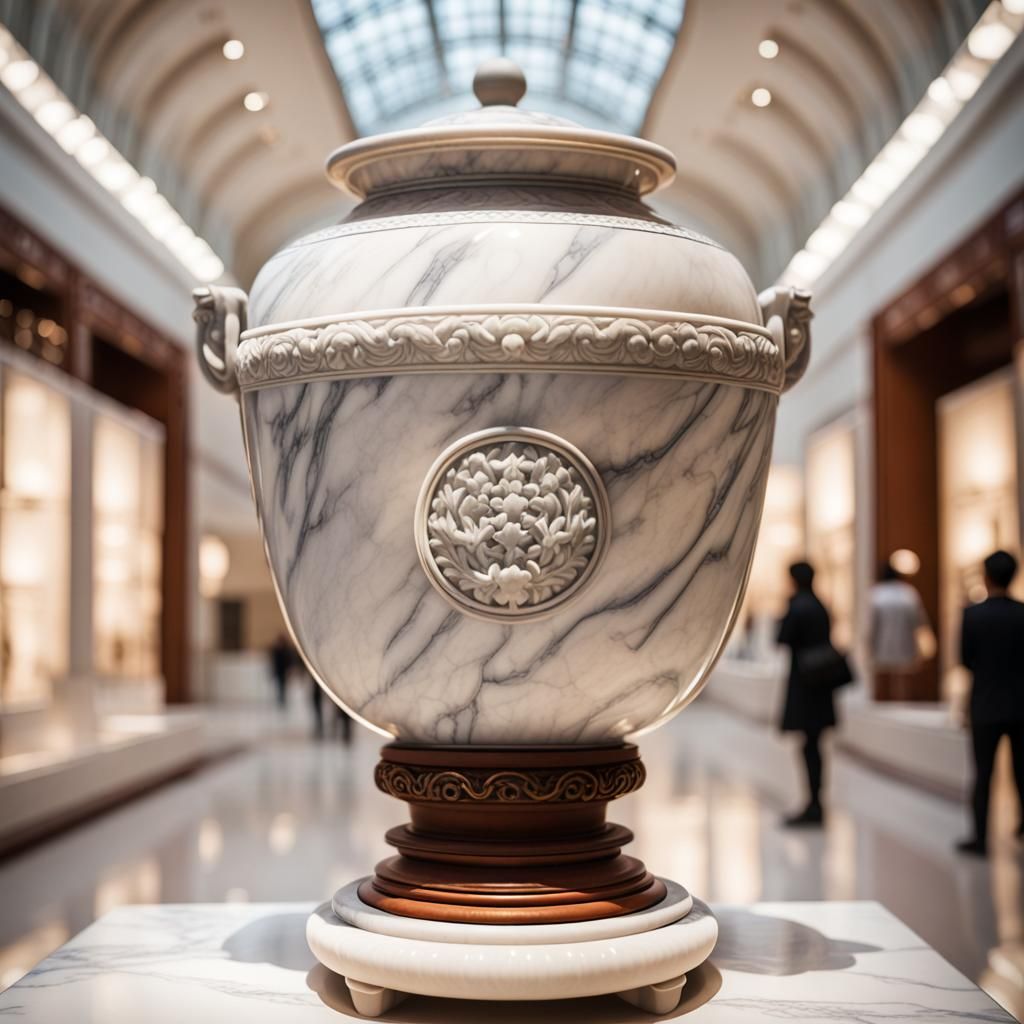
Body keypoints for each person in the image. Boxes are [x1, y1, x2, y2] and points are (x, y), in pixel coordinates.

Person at [956, 550, 1024, 856]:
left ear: (986, 576)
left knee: (983, 774)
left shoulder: (973, 615)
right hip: (1020, 703)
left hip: (985, 703)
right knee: (1022, 772)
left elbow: (966, 660)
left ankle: (981, 837)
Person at [777, 561, 836, 827]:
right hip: (820, 683)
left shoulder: (798, 605)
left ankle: (813, 804)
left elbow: (782, 637)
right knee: (815, 744)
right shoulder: (819, 605)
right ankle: (815, 802)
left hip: (806, 683)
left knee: (810, 746)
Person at [868, 561, 932, 698]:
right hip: (905, 640)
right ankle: (901, 700)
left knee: (885, 673)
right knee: (902, 676)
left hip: (882, 640)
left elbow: (871, 623)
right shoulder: (908, 593)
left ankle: (883, 701)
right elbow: (918, 620)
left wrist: (870, 642)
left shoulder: (877, 594)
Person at [269, 634, 294, 710]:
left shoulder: (286, 650)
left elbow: (288, 661)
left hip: (283, 671)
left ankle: (282, 699)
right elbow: (274, 662)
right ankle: (280, 699)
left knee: (282, 686)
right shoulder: (276, 650)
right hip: (279, 671)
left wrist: (289, 671)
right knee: (280, 686)